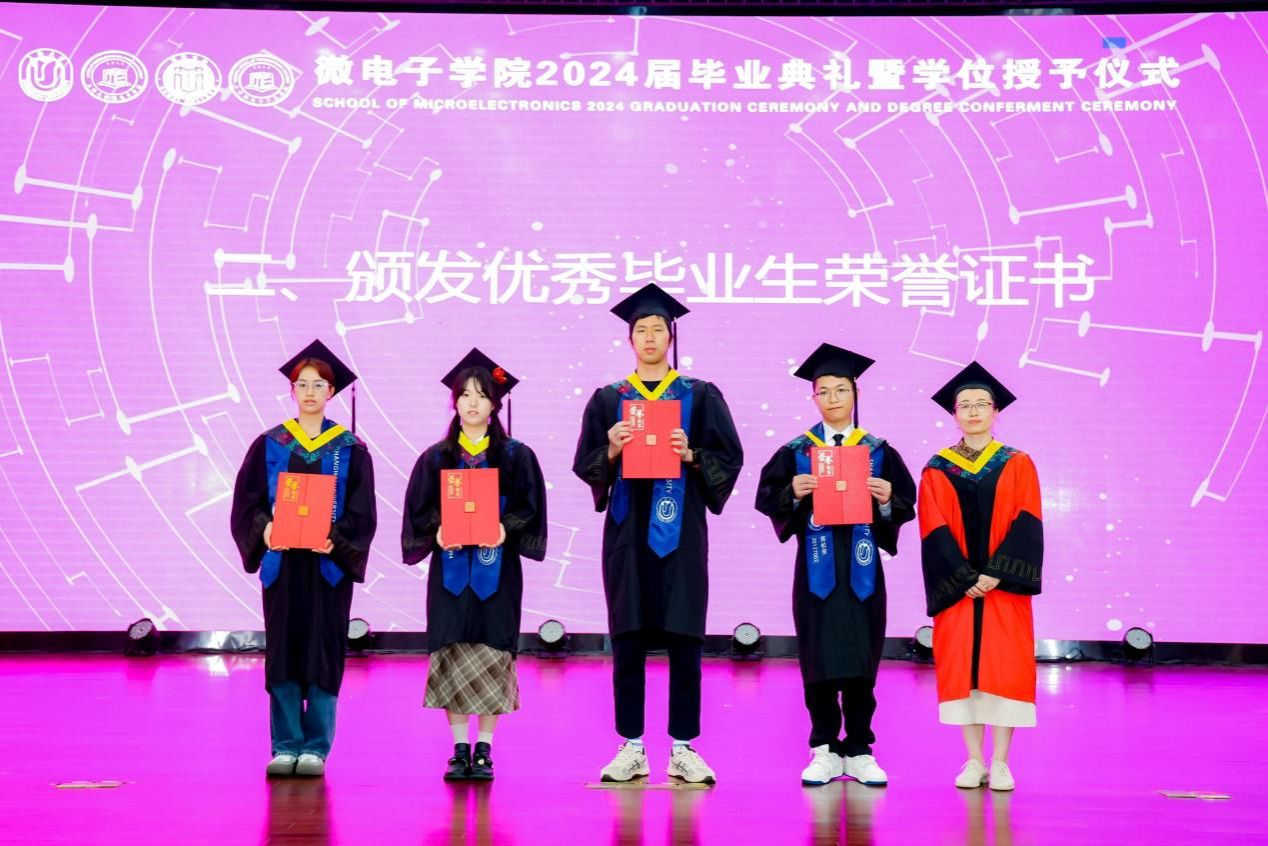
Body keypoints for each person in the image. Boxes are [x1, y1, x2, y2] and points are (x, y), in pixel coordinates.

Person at [572, 284, 743, 785]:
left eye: (658, 329)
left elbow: (729, 457)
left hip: (682, 533)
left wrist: (692, 455)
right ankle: (631, 746)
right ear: (629, 340)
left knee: (685, 636)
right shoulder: (610, 399)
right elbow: (586, 463)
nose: (649, 337)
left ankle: (684, 747)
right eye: (641, 330)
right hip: (627, 536)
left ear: (671, 337)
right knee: (627, 637)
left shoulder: (699, 395)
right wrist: (610, 449)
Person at [754, 343, 916, 788]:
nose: (833, 398)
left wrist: (887, 499)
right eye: (823, 391)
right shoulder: (797, 452)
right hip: (816, 572)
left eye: (841, 389)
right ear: (813, 398)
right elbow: (767, 498)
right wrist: (792, 492)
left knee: (862, 656)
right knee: (818, 656)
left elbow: (905, 503)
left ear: (855, 393)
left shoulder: (878, 451)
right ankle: (824, 747)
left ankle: (860, 747)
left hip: (863, 573)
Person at [230, 339, 377, 777]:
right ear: (292, 391)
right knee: (285, 652)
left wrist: (336, 541)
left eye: (318, 385)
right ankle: (285, 745)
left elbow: (362, 512)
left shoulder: (350, 448)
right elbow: (247, 503)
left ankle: (315, 747)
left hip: (327, 568)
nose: (310, 392)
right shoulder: (270, 444)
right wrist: (266, 528)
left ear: (331, 392)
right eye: (302, 384)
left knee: (323, 653)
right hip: (283, 566)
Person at [402, 349, 548, 781]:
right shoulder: (436, 458)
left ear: (495, 404)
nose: (472, 402)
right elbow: (418, 511)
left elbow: (530, 508)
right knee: (451, 651)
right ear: (454, 401)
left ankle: (484, 748)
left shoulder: (516, 456)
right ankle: (458, 748)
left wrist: (505, 527)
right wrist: (437, 530)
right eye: (464, 394)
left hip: (496, 574)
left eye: (481, 395)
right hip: (449, 576)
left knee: (491, 651)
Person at [918, 361, 1043, 792]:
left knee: (1004, 668)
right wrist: (962, 576)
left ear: (995, 411)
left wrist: (996, 573)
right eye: (964, 405)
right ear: (954, 414)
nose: (973, 411)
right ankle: (973, 760)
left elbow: (1027, 519)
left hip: (1002, 589)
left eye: (981, 404)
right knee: (962, 671)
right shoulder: (937, 467)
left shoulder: (1018, 462)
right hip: (960, 590)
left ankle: (1002, 762)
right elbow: (933, 527)